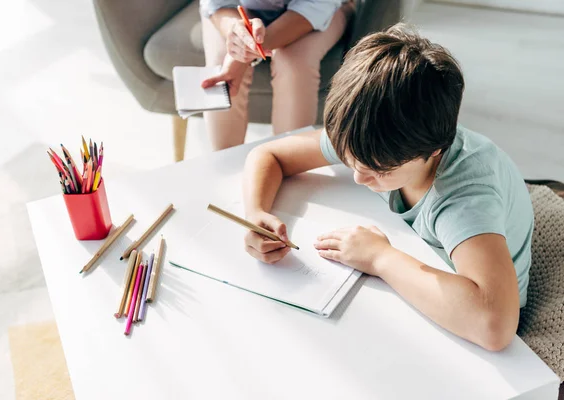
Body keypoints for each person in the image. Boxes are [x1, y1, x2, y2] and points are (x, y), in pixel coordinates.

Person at [241, 23, 534, 352]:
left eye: (375, 172)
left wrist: (380, 258)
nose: (358, 178)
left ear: (432, 152)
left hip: (468, 311)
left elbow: (495, 325)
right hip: (422, 273)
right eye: (352, 163)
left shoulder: (464, 198)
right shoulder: (370, 136)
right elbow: (269, 154)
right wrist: (256, 213)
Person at [199, 0, 353, 150]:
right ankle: (225, 163)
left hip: (320, 8)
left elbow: (317, 5)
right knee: (220, 67)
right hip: (235, 8)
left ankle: (289, 163)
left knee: (294, 66)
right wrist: (238, 37)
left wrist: (244, 54)